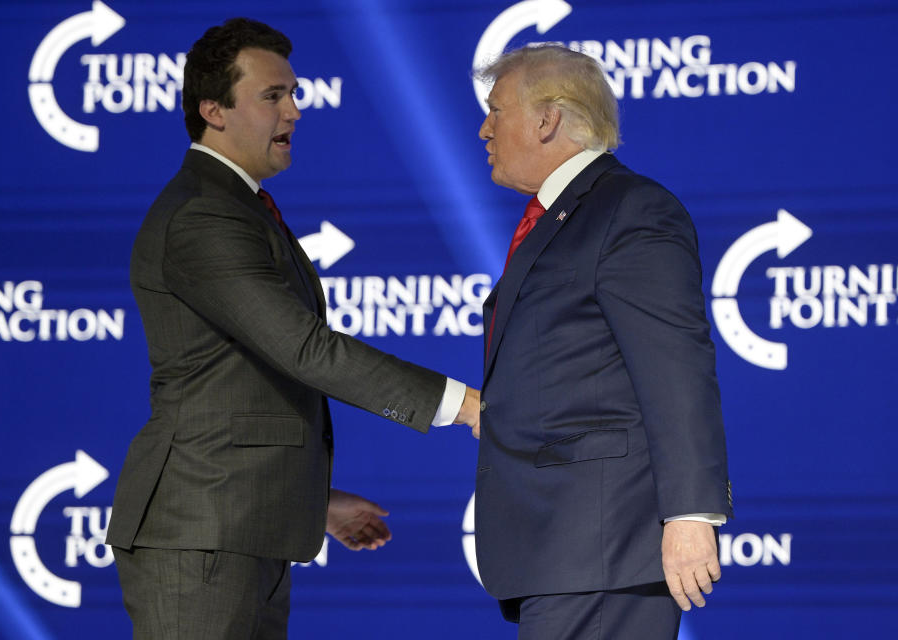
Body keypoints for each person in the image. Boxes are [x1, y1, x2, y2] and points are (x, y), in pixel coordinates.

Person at [105, 18, 479, 639]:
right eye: (273, 96)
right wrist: (460, 404)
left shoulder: (238, 207)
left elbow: (238, 387)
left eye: (294, 93)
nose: (295, 111)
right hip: (201, 537)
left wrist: (316, 503)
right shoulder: (204, 215)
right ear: (212, 110)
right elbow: (303, 349)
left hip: (239, 532)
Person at [473, 44, 732, 639]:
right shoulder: (561, 216)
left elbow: (677, 368)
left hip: (604, 546)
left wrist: (689, 514)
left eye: (496, 110)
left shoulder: (629, 209)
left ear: (546, 119)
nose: (485, 128)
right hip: (563, 550)